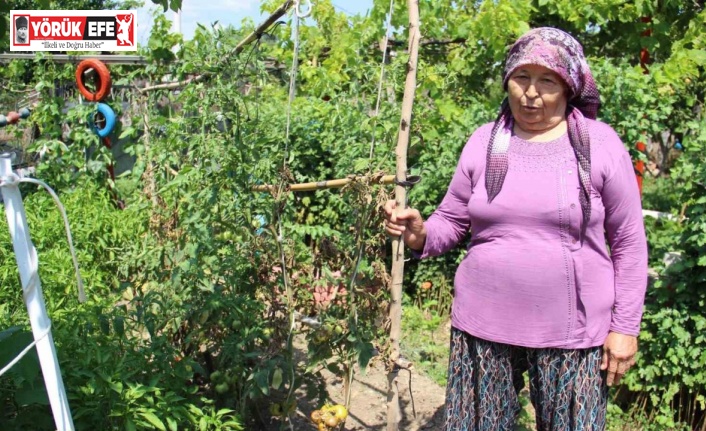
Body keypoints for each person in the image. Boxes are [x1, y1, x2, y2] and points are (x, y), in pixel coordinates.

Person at [383, 27, 647, 431]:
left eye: (547, 81)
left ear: (569, 87)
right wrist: (420, 232)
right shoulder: (485, 142)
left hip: (573, 336)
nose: (531, 93)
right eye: (521, 78)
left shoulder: (601, 145)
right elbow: (452, 222)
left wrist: (625, 327)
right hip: (483, 328)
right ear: (507, 80)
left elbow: (629, 243)